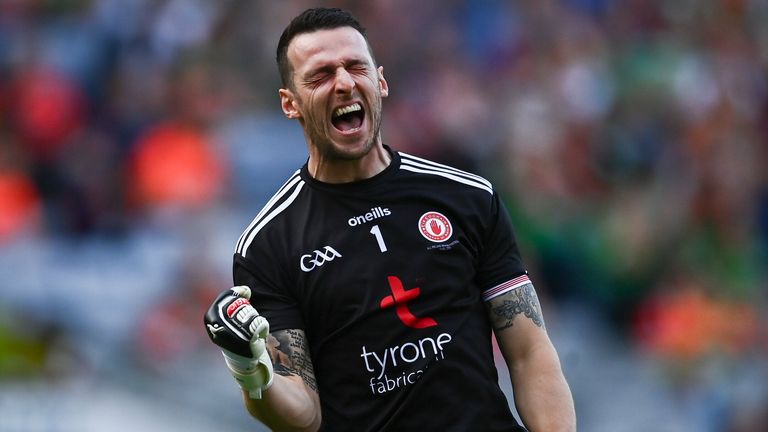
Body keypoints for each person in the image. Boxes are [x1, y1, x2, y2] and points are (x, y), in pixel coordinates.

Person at [204, 7, 576, 432]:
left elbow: (530, 352)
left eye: (355, 67)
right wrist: (249, 366)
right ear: (291, 104)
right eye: (321, 75)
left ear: (380, 82)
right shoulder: (268, 245)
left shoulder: (467, 196)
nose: (344, 83)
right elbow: (303, 416)